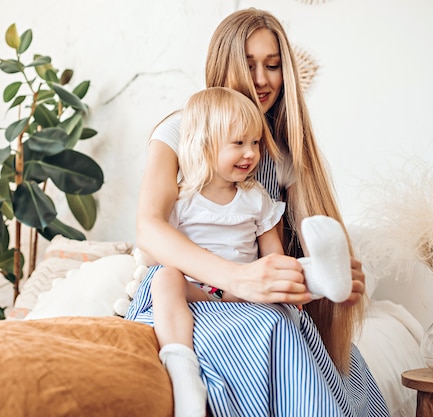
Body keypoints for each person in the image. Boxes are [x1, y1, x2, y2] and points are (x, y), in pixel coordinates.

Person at [126, 7, 390, 417]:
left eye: (273, 65)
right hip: (188, 292)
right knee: (274, 329)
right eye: (249, 65)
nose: (263, 80)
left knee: (339, 360)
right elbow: (149, 228)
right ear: (221, 64)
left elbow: (298, 243)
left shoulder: (282, 154)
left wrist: (330, 276)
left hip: (250, 295)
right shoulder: (180, 131)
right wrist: (238, 278)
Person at [151, 87, 285, 417]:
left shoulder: (256, 197)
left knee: (279, 300)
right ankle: (181, 365)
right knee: (165, 278)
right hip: (196, 290)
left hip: (243, 294)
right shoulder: (182, 199)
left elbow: (273, 257)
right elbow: (161, 252)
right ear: (204, 145)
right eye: (238, 143)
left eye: (255, 143)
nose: (251, 153)